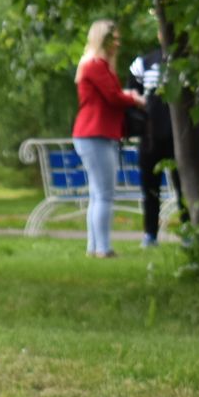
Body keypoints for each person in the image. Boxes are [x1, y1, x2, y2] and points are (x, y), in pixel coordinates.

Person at [73, 20, 143, 259]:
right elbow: (113, 98)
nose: (117, 43)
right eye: (112, 38)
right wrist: (134, 99)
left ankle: (94, 247)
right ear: (101, 39)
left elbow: (111, 96)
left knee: (97, 193)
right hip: (96, 133)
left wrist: (127, 96)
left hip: (94, 133)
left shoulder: (94, 65)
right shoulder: (95, 65)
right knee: (104, 194)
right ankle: (103, 248)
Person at [126, 43, 184, 248]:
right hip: (150, 138)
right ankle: (150, 234)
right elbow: (131, 96)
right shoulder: (143, 63)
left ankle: (188, 232)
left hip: (178, 138)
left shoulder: (185, 62)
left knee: (183, 186)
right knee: (150, 189)